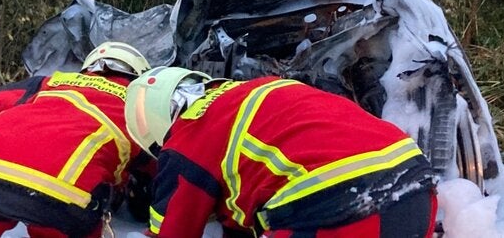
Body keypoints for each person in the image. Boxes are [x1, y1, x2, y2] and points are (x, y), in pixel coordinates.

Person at [124, 67, 438, 238]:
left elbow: (172, 233)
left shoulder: (189, 133)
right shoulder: (261, 92)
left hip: (340, 210)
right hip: (416, 195)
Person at [0, 42, 153, 238]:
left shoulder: (48, 82)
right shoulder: (136, 105)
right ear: (139, 76)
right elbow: (156, 164)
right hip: (64, 195)